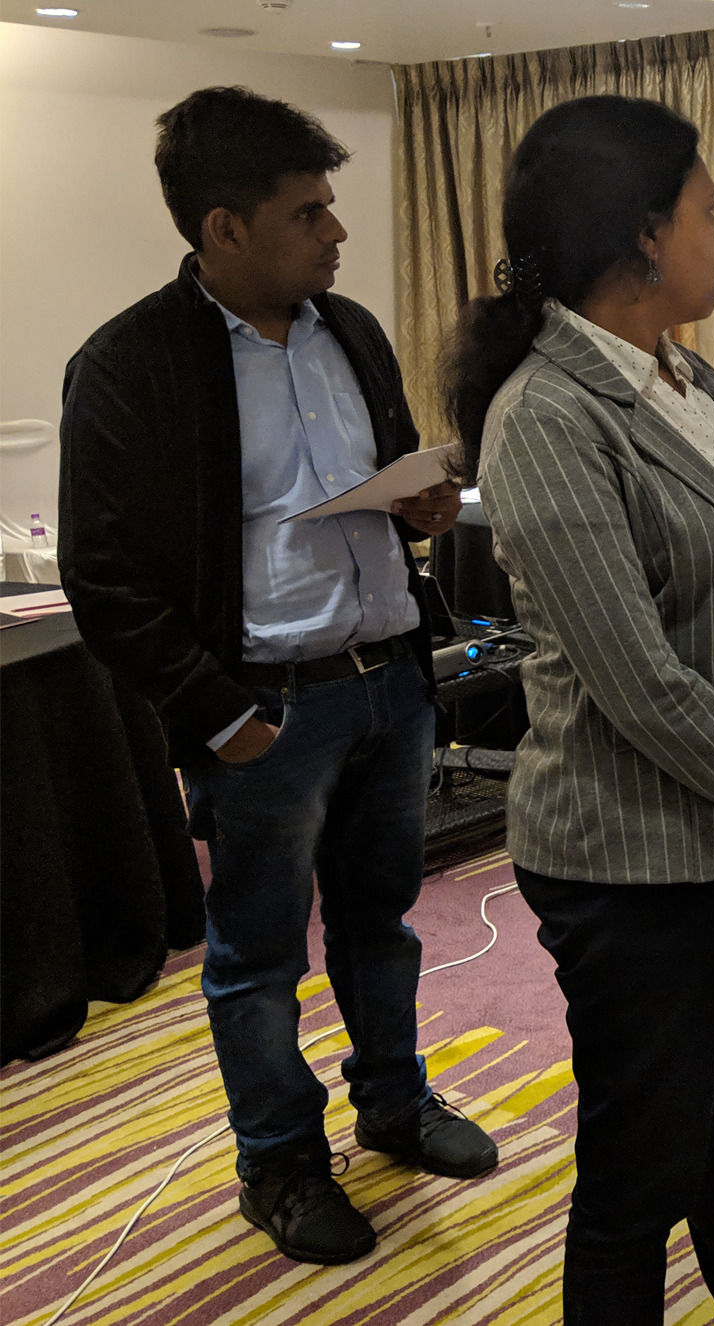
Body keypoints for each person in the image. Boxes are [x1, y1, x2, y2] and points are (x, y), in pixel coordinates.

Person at [58, 86, 492, 1265]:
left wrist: (423, 507)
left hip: (388, 684)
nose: (337, 232)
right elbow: (103, 577)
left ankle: (394, 1105)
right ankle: (281, 1164)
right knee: (257, 959)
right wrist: (218, 717)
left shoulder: (348, 330)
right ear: (224, 227)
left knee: (381, 927)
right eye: (308, 213)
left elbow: (384, 489)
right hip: (267, 711)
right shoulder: (131, 365)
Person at [451, 95, 714, 1323]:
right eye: (707, 211)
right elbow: (639, 684)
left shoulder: (690, 379)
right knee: (642, 1170)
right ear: (641, 231)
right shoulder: (546, 415)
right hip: (632, 863)